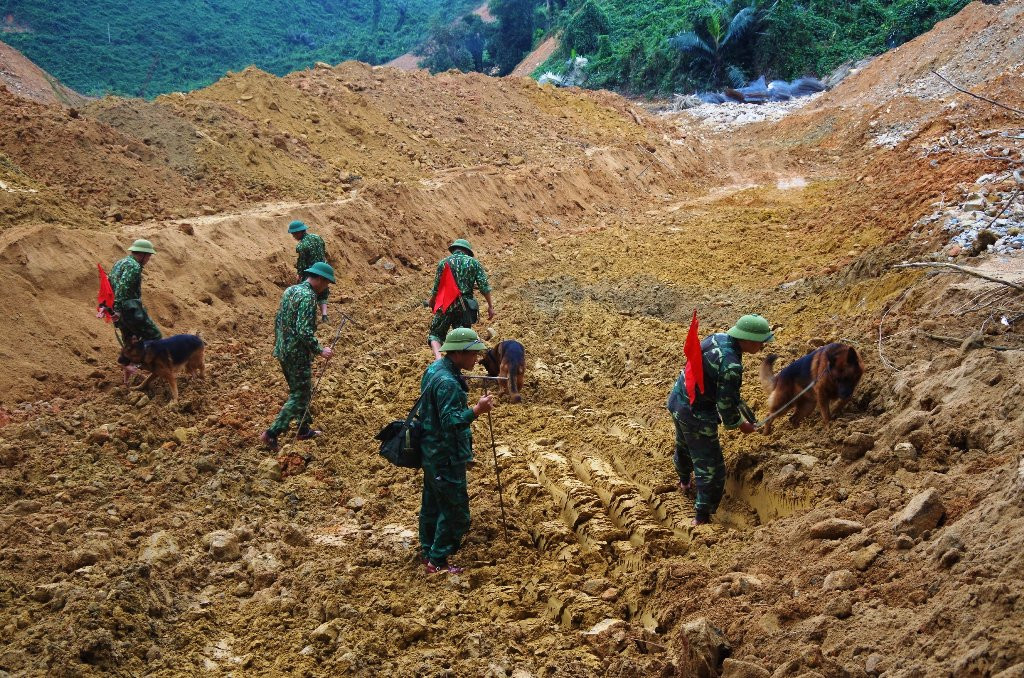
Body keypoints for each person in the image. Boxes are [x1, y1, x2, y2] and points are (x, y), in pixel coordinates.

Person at [666, 314, 773, 526]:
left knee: (684, 446)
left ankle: (684, 481)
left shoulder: (718, 338)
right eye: (760, 342)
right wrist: (742, 424)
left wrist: (743, 411)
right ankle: (702, 517)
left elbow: (721, 387)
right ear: (747, 339)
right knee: (711, 468)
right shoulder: (731, 365)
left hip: (678, 399)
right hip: (696, 413)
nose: (763, 347)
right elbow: (726, 405)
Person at [418, 327, 495, 574]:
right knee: (456, 512)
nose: (476, 359)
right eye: (473, 354)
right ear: (458, 353)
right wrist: (477, 410)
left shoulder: (435, 369)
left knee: (432, 504)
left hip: (430, 450)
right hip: (446, 454)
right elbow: (450, 421)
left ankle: (427, 552)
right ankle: (438, 561)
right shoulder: (448, 383)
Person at [261, 262, 336, 450]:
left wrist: (280, 344)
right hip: (297, 353)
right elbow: (303, 330)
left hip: (283, 350)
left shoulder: (290, 290)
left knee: (300, 391)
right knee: (300, 393)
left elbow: (278, 321)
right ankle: (271, 433)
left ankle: (303, 430)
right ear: (320, 279)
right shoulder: (309, 297)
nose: (326, 287)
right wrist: (320, 349)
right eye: (327, 283)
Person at [427, 239, 495, 361]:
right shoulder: (474, 263)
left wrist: (432, 303)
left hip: (446, 304)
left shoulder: (443, 263)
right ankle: (459, 361)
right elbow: (484, 287)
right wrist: (490, 306)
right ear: (467, 251)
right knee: (462, 337)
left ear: (454, 250)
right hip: (465, 307)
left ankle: (438, 358)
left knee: (435, 334)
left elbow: (436, 289)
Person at [109, 239, 162, 382]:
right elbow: (122, 287)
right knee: (154, 335)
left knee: (130, 339)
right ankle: (151, 366)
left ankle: (127, 374)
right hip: (130, 308)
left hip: (117, 308)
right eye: (149, 256)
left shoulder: (120, 263)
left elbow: (110, 283)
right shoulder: (134, 266)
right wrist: (118, 309)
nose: (149, 259)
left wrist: (113, 309)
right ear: (143, 255)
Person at [289, 220, 330, 323]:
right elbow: (324, 251)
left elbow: (302, 263)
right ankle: (324, 315)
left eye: (294, 234)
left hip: (311, 273)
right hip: (323, 270)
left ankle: (309, 317)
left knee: (309, 294)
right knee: (323, 293)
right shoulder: (317, 237)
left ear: (300, 232)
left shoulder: (301, 246)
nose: (294, 236)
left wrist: (299, 275)